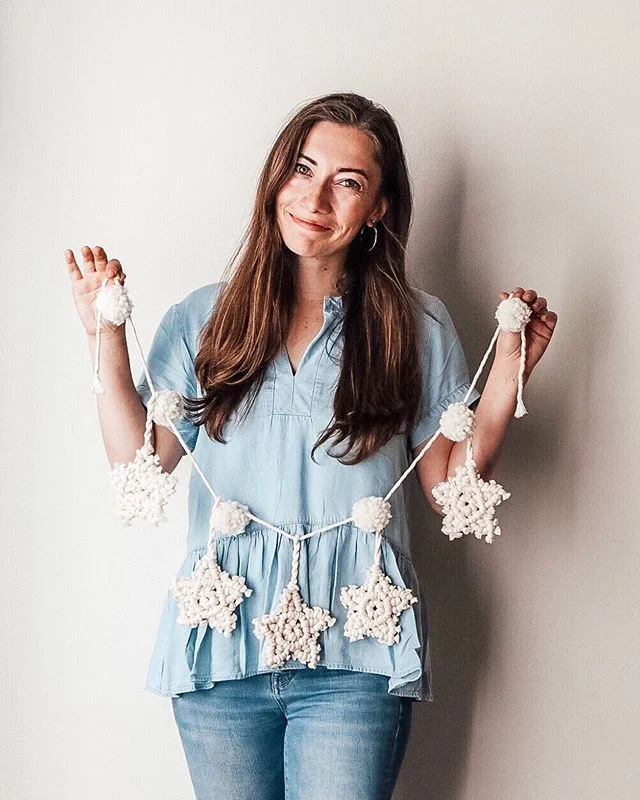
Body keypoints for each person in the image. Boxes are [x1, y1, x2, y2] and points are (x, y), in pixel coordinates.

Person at [65, 92, 557, 800]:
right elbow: (139, 462)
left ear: (379, 208)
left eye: (348, 182)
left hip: (356, 661)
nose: (316, 197)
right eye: (303, 169)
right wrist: (102, 335)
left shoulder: (415, 326)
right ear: (276, 177)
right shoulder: (205, 318)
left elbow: (455, 491)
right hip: (220, 656)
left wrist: (508, 376)